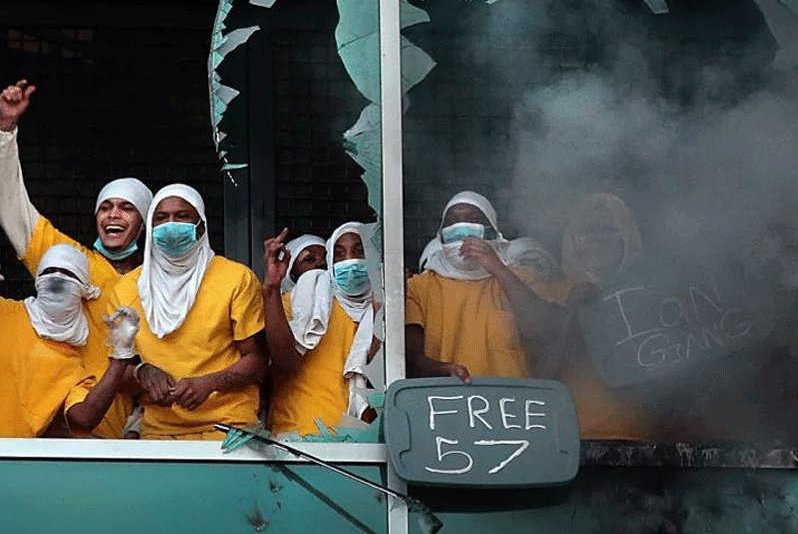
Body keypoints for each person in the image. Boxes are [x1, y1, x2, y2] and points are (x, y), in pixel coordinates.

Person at [0, 78, 150, 437]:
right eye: (106, 207)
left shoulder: (156, 282)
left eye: (126, 208)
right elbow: (13, 207)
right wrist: (5, 131)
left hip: (115, 432)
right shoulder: (67, 261)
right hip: (44, 427)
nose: (113, 215)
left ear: (143, 221)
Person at [107, 184, 268, 440]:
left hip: (229, 430)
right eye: (160, 218)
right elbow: (118, 374)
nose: (170, 224)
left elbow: (258, 362)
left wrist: (210, 383)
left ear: (201, 226)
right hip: (159, 433)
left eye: (182, 216)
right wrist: (143, 373)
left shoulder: (237, 279)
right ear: (150, 228)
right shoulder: (126, 289)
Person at [534, 193, 653, 440]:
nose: (597, 238)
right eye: (589, 230)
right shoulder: (551, 293)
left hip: (639, 437)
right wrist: (572, 312)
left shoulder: (648, 294)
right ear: (573, 238)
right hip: (570, 438)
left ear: (626, 238)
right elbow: (540, 376)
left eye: (607, 229)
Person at [405, 190, 556, 380]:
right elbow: (410, 360)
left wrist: (496, 267)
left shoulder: (519, 278)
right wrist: (445, 370)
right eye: (452, 222)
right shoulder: (419, 287)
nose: (461, 227)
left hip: (511, 404)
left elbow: (544, 330)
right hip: (443, 403)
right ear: (441, 235)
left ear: (491, 230)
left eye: (473, 219)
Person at [263, 223, 391, 436]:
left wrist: (383, 309)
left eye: (359, 251)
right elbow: (285, 361)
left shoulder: (379, 308)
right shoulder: (297, 303)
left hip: (361, 440)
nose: (350, 260)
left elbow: (378, 373)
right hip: (299, 435)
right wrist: (271, 288)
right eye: (340, 254)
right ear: (332, 263)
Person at [0, 245, 139, 437]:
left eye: (67, 273)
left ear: (84, 289)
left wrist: (121, 356)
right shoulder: (5, 313)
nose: (56, 279)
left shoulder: (72, 368)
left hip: (10, 460)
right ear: (37, 281)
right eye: (48, 271)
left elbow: (83, 418)